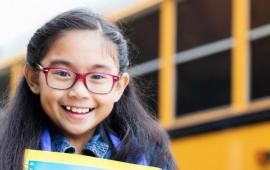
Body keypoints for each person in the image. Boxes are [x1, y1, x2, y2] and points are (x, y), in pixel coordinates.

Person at [0, 9, 177, 169]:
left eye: (98, 77)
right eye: (62, 73)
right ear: (33, 78)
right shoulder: (4, 150)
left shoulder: (150, 155)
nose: (79, 92)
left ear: (119, 87)